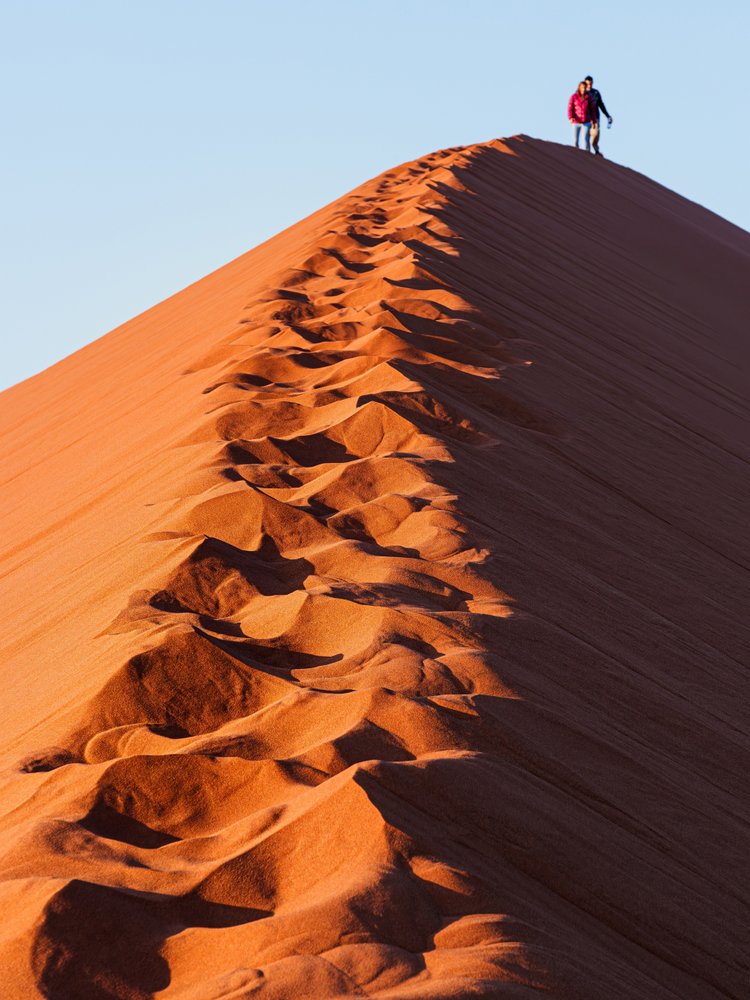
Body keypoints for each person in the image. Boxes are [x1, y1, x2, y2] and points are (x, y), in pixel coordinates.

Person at [585, 76, 613, 157]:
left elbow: (601, 105)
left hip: (595, 118)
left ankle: (595, 149)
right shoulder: (582, 92)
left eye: (590, 84)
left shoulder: (596, 93)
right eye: (587, 84)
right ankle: (587, 152)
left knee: (595, 134)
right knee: (586, 136)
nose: (589, 85)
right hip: (585, 119)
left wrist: (608, 116)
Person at [568, 82, 594, 151]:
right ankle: (575, 155)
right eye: (582, 87)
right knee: (575, 141)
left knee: (585, 139)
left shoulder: (589, 98)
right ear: (579, 88)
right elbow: (570, 107)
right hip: (576, 122)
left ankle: (586, 156)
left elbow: (592, 110)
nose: (584, 89)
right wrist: (570, 117)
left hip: (586, 122)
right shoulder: (574, 97)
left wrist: (593, 120)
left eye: (585, 88)